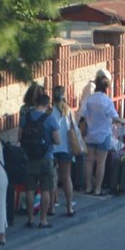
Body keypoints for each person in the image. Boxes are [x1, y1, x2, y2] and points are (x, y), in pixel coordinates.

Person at [80, 70, 125, 197]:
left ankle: (88, 186)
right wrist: (121, 121)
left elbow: (82, 114)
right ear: (106, 87)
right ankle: (98, 189)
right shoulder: (107, 101)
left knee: (89, 161)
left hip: (90, 134)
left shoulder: (89, 99)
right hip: (103, 135)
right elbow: (114, 117)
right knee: (101, 162)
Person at [21, 93, 59, 225]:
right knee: (45, 189)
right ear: (47, 105)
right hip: (46, 157)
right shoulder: (50, 119)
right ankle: (43, 220)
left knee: (30, 189)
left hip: (30, 158)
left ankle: (30, 219)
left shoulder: (25, 118)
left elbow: (20, 138)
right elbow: (57, 140)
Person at [51, 85, 81, 218]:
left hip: (52, 148)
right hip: (66, 148)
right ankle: (69, 206)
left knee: (52, 178)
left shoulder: (49, 112)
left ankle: (51, 206)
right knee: (66, 177)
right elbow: (74, 128)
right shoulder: (68, 111)